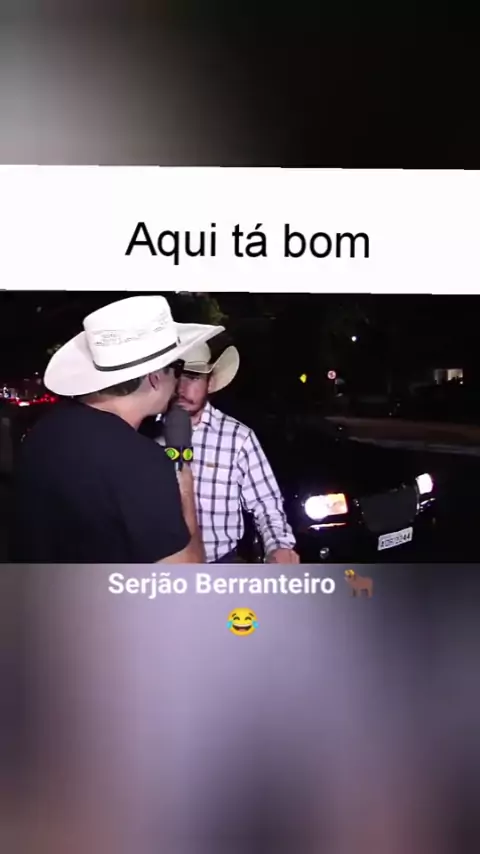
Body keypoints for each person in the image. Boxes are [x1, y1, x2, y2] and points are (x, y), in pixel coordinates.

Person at [12, 295, 224, 563]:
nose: (179, 381)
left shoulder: (43, 432)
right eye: (177, 367)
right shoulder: (141, 461)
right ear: (155, 377)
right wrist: (185, 487)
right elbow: (184, 575)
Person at [153, 342, 299, 564]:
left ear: (210, 383)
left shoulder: (238, 437)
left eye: (193, 377)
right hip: (158, 566)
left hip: (219, 563)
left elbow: (266, 503)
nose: (182, 387)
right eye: (178, 375)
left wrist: (278, 547)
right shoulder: (146, 431)